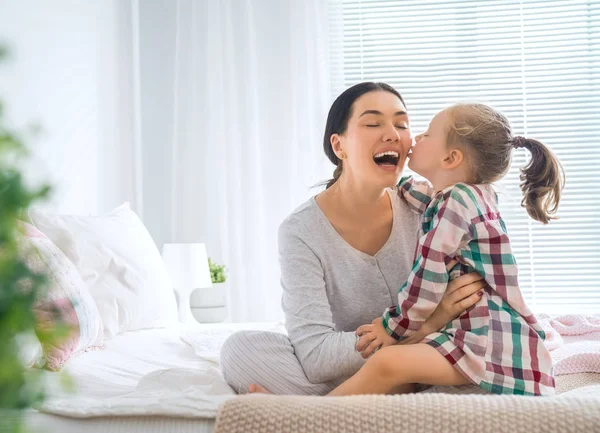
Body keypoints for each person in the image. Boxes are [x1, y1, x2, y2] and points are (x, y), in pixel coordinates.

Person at [219, 82, 487, 395]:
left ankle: (312, 414)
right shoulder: (301, 230)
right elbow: (316, 357)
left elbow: (470, 309)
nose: (393, 134)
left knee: (487, 375)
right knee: (241, 350)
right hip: (370, 365)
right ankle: (377, 398)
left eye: (401, 124)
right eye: (373, 123)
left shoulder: (430, 207)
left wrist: (417, 339)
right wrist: (424, 326)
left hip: (427, 362)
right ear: (339, 146)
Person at [326, 103, 564, 397]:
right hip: (478, 334)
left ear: (451, 158)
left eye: (426, 135)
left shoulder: (457, 201)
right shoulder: (469, 196)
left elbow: (429, 273)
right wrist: (380, 175)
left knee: (386, 362)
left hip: (488, 341)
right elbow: (426, 199)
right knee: (398, 379)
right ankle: (314, 408)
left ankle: (301, 417)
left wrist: (392, 326)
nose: (414, 139)